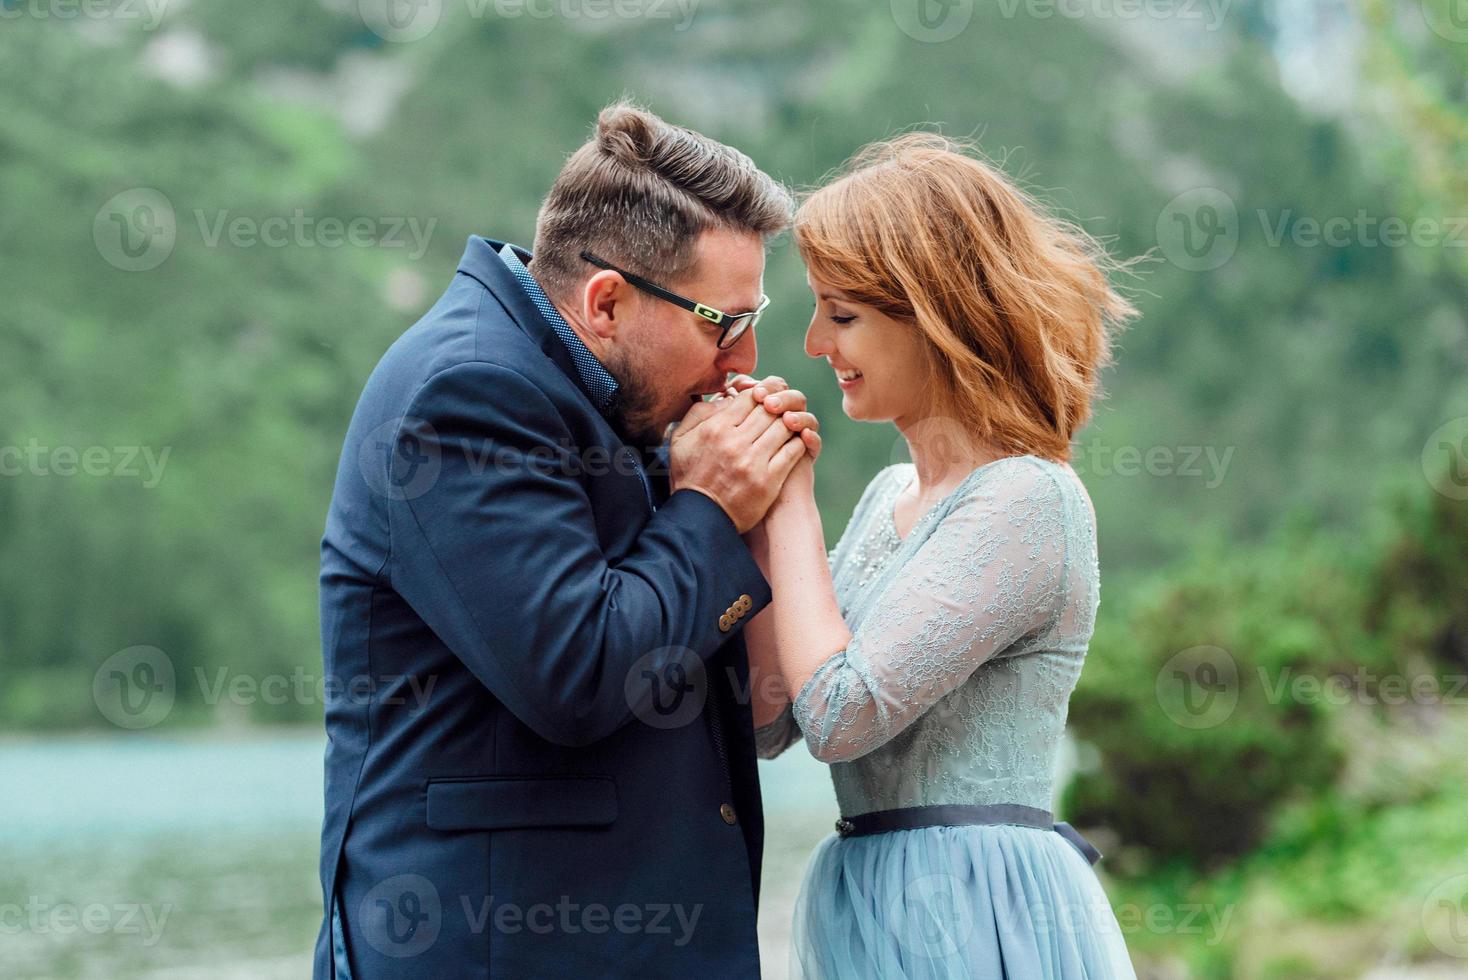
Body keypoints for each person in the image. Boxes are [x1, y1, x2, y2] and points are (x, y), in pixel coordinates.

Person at [315, 102, 821, 978]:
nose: (742, 360)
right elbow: (580, 674)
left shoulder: (598, 391)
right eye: (720, 322)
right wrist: (707, 503)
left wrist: (766, 508)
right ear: (606, 301)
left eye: (751, 318)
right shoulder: (465, 394)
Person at [747, 133, 1140, 978]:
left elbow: (842, 715)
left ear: (938, 317)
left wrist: (788, 508)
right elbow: (773, 718)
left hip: (972, 905)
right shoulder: (888, 496)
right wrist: (740, 510)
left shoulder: (1027, 500)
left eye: (842, 314)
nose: (816, 344)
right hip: (870, 893)